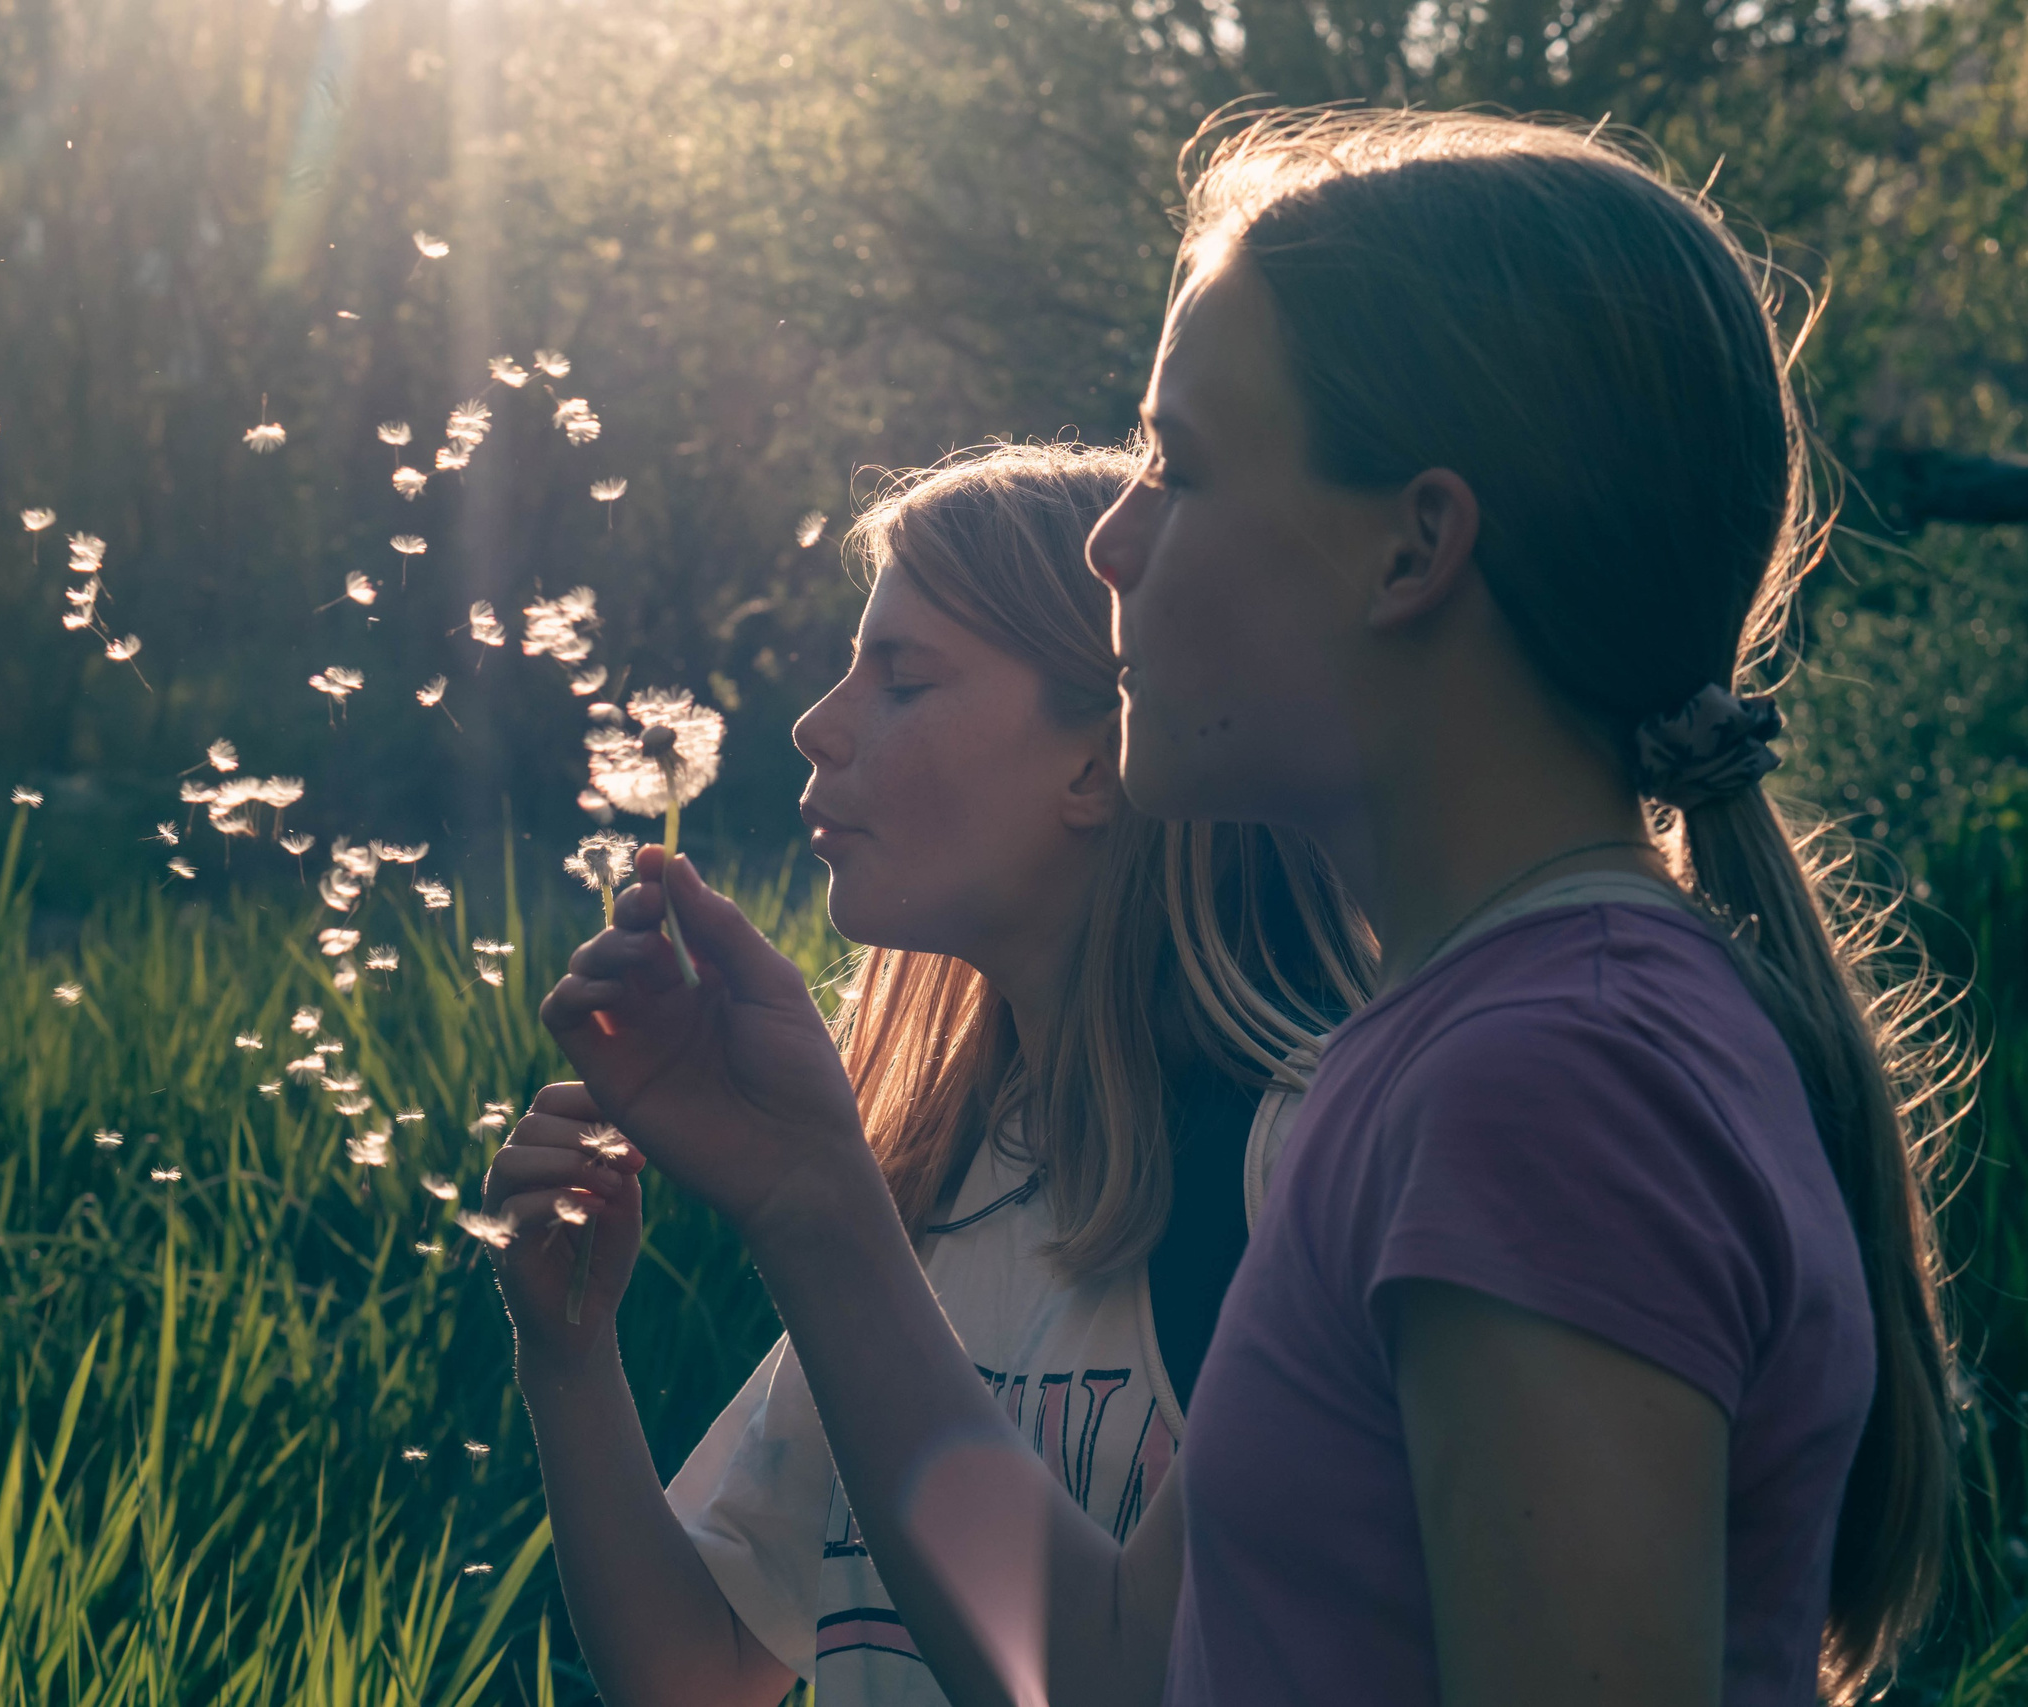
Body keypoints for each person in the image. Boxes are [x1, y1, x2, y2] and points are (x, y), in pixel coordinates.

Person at [532, 108, 1962, 1707]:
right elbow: (1111, 1666)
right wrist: (810, 1188)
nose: (1112, 536)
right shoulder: (1465, 1052)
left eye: (1181, 464)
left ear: (1413, 549)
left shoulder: (1550, 1077)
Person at [483, 441, 1373, 1707]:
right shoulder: (945, 1178)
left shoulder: (1308, 1160)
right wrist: (566, 1360)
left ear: (1098, 759)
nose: (814, 725)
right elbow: (698, 1673)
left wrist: (814, 1204)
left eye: (901, 678)